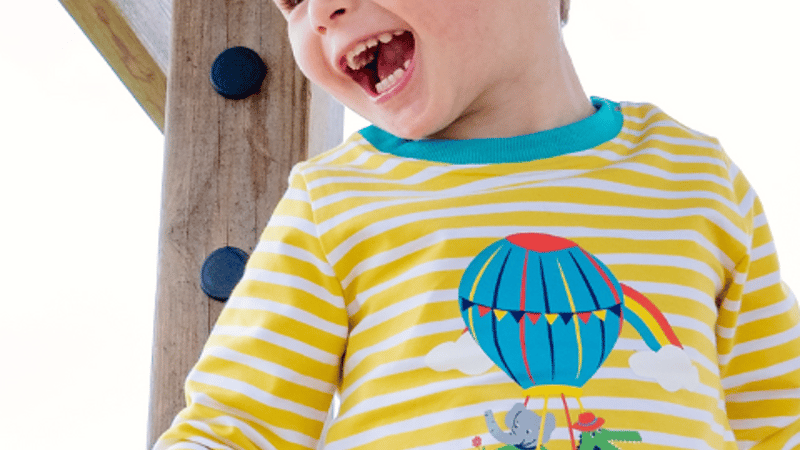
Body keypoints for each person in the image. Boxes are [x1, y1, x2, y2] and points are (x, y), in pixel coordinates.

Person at [152, 0, 800, 449]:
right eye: (293, 1)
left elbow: (778, 421)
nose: (322, 12)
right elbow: (237, 428)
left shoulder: (694, 178)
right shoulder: (338, 202)